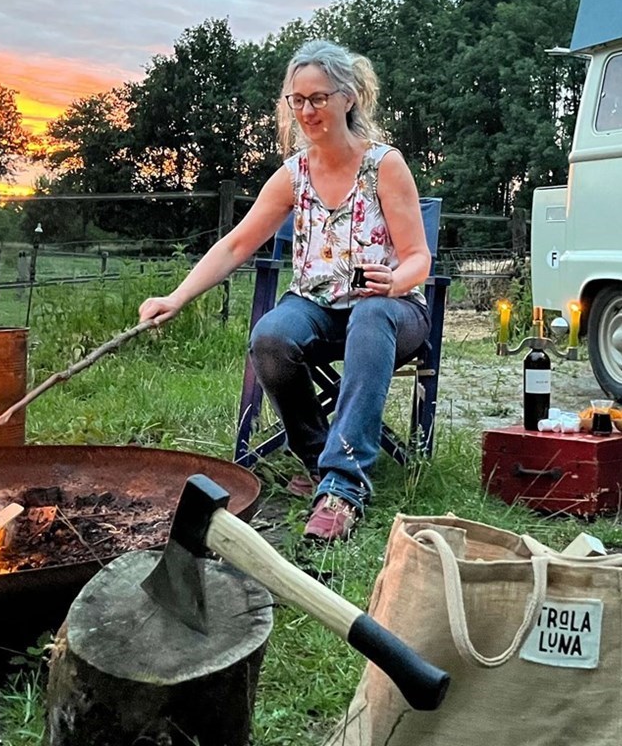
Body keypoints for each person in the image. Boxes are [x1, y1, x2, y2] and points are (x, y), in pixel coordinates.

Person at [139, 40, 431, 543]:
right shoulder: (293, 174)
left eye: (318, 98)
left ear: (348, 98)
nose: (307, 111)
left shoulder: (384, 165)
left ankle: (343, 489)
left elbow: (419, 258)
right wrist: (177, 297)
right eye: (297, 100)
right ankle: (322, 460)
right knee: (271, 336)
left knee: (370, 316)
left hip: (391, 310)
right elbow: (235, 246)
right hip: (315, 305)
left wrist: (396, 281)